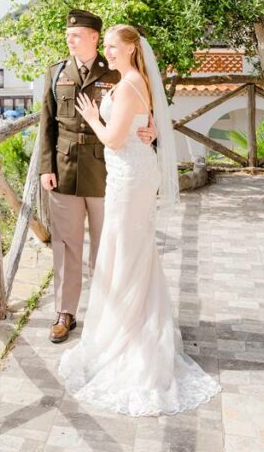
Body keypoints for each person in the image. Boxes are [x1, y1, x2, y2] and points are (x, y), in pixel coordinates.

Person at [57, 24, 222, 415]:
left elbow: (113, 140)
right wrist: (138, 131)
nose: (108, 52)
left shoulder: (129, 84)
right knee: (130, 252)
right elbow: (138, 129)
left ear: (132, 48)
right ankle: (134, 325)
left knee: (124, 253)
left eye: (114, 46)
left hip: (129, 178)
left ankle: (131, 339)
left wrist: (93, 116)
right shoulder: (134, 81)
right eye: (108, 47)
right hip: (130, 173)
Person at [39, 10, 157, 344]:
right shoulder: (55, 73)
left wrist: (153, 128)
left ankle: (106, 313)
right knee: (66, 245)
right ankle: (65, 313)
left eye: (76, 34)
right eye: (67, 34)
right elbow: (46, 125)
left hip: (107, 171)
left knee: (106, 246)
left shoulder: (117, 73)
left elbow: (141, 109)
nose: (69, 39)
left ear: (93, 36)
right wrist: (46, 167)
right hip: (64, 171)